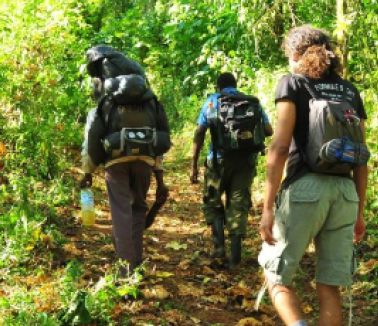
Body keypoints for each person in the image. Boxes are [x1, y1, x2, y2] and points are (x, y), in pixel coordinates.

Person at [258, 25, 368, 326]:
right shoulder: (349, 90)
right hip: (345, 194)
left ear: (295, 55)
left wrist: (268, 208)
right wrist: (359, 211)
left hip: (306, 190)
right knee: (329, 286)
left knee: (275, 275)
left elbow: (280, 147)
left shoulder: (292, 83)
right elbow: (361, 158)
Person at [81, 47, 170, 277]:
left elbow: (92, 139)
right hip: (145, 161)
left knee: (121, 212)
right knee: (138, 208)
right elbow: (159, 138)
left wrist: (89, 171)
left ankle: (125, 270)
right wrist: (159, 175)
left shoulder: (105, 103)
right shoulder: (150, 100)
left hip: (116, 162)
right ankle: (136, 261)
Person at [190, 72, 273, 269]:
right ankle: (235, 256)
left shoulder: (212, 101)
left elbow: (200, 131)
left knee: (213, 201)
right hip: (245, 162)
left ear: (219, 87)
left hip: (218, 161)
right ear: (235, 85)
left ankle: (219, 248)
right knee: (238, 204)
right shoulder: (252, 102)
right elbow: (269, 131)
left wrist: (194, 164)